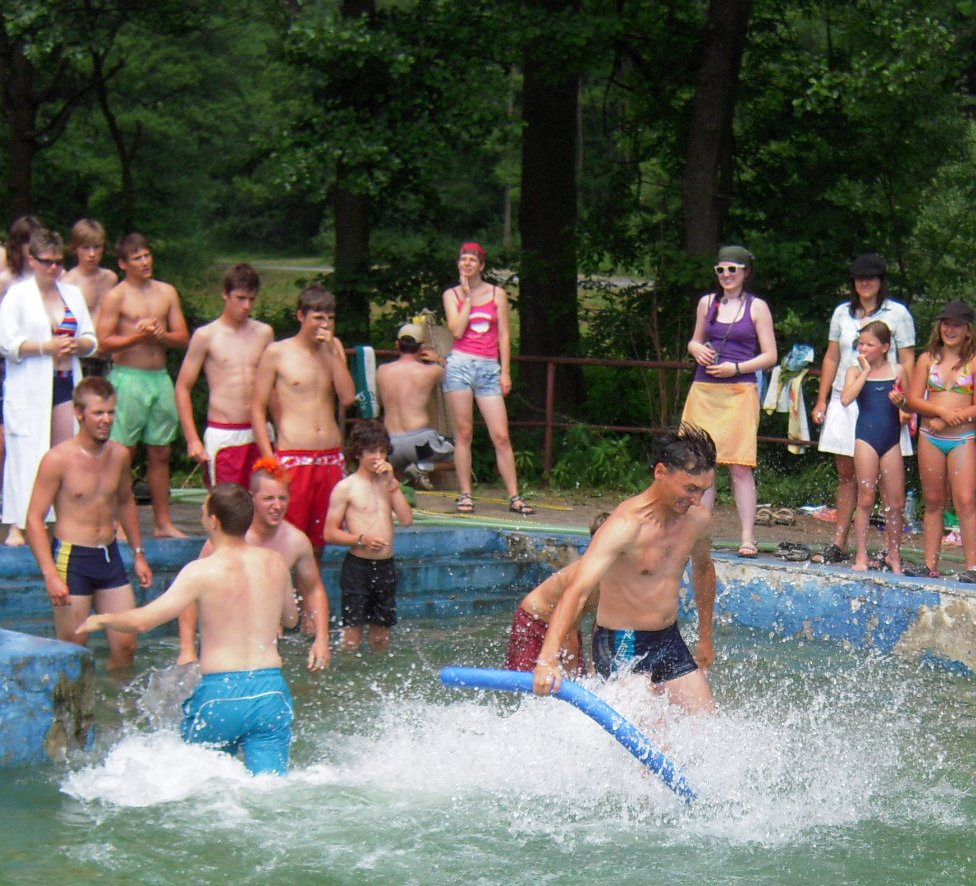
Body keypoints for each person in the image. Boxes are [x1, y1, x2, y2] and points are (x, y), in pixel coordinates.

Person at [79, 483, 327, 776]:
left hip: (221, 694)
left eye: (202, 512)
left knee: (203, 785)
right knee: (270, 786)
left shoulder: (201, 570)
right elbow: (290, 618)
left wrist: (103, 619)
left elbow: (145, 621)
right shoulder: (275, 563)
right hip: (270, 692)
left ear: (214, 521)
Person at [532, 424, 717, 716]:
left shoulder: (698, 520)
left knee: (707, 724)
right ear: (661, 472)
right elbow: (578, 591)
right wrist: (547, 659)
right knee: (649, 735)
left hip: (668, 639)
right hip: (623, 642)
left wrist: (706, 637)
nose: (696, 500)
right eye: (690, 489)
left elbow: (704, 570)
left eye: (703, 491)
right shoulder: (625, 525)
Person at [24, 377, 152, 669]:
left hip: (109, 556)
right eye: (98, 413)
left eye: (110, 412)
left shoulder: (119, 455)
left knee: (126, 645)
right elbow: (33, 519)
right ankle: (78, 701)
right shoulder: (57, 459)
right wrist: (50, 575)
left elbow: (125, 501)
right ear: (79, 414)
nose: (106, 420)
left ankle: (116, 697)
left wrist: (138, 553)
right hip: (72, 558)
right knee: (73, 651)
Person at [176, 456, 332, 668]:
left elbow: (314, 589)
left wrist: (322, 640)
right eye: (269, 499)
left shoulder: (296, 541)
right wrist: (187, 650)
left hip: (267, 641)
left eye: (283, 498)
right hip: (223, 638)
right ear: (252, 498)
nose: (277, 506)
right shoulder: (226, 537)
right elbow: (190, 592)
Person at [811, 254, 915, 564]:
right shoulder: (842, 313)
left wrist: (908, 402)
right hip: (847, 394)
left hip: (884, 398)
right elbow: (832, 357)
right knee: (847, 473)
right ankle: (839, 540)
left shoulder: (898, 313)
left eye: (871, 277)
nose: (865, 283)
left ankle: (887, 548)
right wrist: (821, 399)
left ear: (881, 281)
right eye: (859, 278)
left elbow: (908, 359)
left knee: (886, 478)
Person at [0, 229, 98, 546]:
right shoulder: (18, 295)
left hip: (65, 380)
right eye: (46, 262)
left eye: (57, 261)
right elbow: (6, 343)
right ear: (32, 260)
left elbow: (91, 339)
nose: (53, 268)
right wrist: (46, 346)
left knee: (63, 452)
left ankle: (61, 520)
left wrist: (77, 345)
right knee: (27, 453)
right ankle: (19, 523)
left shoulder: (72, 294)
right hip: (30, 385)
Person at [682, 245, 777, 558]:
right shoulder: (707, 303)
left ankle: (747, 537)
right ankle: (699, 534)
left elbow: (770, 355)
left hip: (739, 391)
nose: (726, 275)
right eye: (720, 269)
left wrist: (736, 368)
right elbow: (695, 339)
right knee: (701, 464)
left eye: (732, 269)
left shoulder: (757, 307)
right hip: (705, 389)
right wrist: (696, 349)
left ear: (745, 272)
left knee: (740, 466)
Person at [251, 284, 356, 561]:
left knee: (320, 543)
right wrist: (268, 458)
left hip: (329, 456)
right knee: (287, 538)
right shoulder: (277, 352)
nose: (325, 324)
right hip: (294, 455)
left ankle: (312, 589)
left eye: (330, 318)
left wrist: (332, 352)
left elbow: (347, 397)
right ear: (301, 316)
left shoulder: (334, 348)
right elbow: (257, 408)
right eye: (318, 318)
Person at [96, 232, 190, 537]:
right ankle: (118, 523)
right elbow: (102, 342)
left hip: (159, 378)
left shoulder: (167, 292)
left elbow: (183, 337)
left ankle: (163, 522)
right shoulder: (117, 296)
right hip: (128, 378)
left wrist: (161, 334)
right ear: (123, 264)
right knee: (122, 452)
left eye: (147, 255)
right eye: (137, 258)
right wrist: (138, 336)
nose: (145, 262)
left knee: (161, 452)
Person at [441, 242, 533, 516]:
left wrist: (505, 371)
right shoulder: (451, 294)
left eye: (472, 260)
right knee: (464, 433)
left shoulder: (497, 294)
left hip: (488, 366)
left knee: (501, 435)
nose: (467, 264)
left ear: (481, 265)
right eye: (463, 259)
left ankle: (514, 496)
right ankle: (465, 493)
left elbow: (504, 334)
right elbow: (456, 331)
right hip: (460, 364)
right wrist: (468, 299)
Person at [175, 263, 273, 487]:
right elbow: (182, 387)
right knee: (226, 502)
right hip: (225, 432)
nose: (246, 306)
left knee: (267, 499)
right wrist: (192, 439)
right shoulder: (206, 336)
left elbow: (274, 387)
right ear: (225, 294)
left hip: (260, 431)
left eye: (251, 299)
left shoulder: (264, 333)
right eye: (240, 298)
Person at [323, 420, 413, 652]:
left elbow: (406, 519)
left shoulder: (388, 484)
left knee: (381, 638)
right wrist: (361, 539)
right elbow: (329, 532)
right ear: (358, 452)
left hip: (385, 566)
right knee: (352, 638)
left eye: (382, 451)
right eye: (372, 451)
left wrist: (393, 483)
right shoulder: (346, 487)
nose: (378, 457)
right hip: (358, 567)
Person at [902, 301, 976, 581]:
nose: (950, 329)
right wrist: (939, 411)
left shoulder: (973, 361)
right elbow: (913, 399)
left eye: (957, 325)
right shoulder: (927, 359)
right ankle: (929, 563)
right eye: (946, 324)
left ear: (968, 329)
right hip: (930, 437)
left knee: (965, 500)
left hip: (962, 438)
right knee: (933, 500)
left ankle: (973, 566)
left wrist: (948, 418)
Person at [840, 321, 909, 574]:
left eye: (869, 344)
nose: (863, 348)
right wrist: (865, 372)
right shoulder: (854, 371)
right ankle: (861, 554)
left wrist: (901, 403)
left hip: (891, 440)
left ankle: (894, 554)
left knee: (896, 502)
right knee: (866, 497)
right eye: (861, 344)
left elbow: (909, 408)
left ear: (885, 347)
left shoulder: (897, 370)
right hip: (865, 439)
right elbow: (846, 399)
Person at [505, 511, 609, 674]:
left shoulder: (616, 574)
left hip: (567, 624)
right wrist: (575, 674)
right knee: (525, 680)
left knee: (581, 674)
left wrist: (594, 665)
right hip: (534, 619)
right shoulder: (585, 573)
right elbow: (568, 629)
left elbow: (600, 625)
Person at [376, 322, 455, 489]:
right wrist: (438, 359)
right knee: (461, 451)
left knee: (397, 463)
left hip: (390, 445)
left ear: (397, 344)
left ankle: (403, 477)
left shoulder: (382, 371)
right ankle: (423, 467)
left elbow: (380, 402)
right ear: (422, 348)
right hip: (420, 443)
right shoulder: (431, 371)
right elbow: (454, 371)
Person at [61, 218, 118, 377]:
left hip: (107, 355)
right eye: (86, 248)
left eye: (97, 247)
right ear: (75, 249)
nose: (92, 254)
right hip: (82, 357)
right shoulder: (68, 283)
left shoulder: (110, 278)